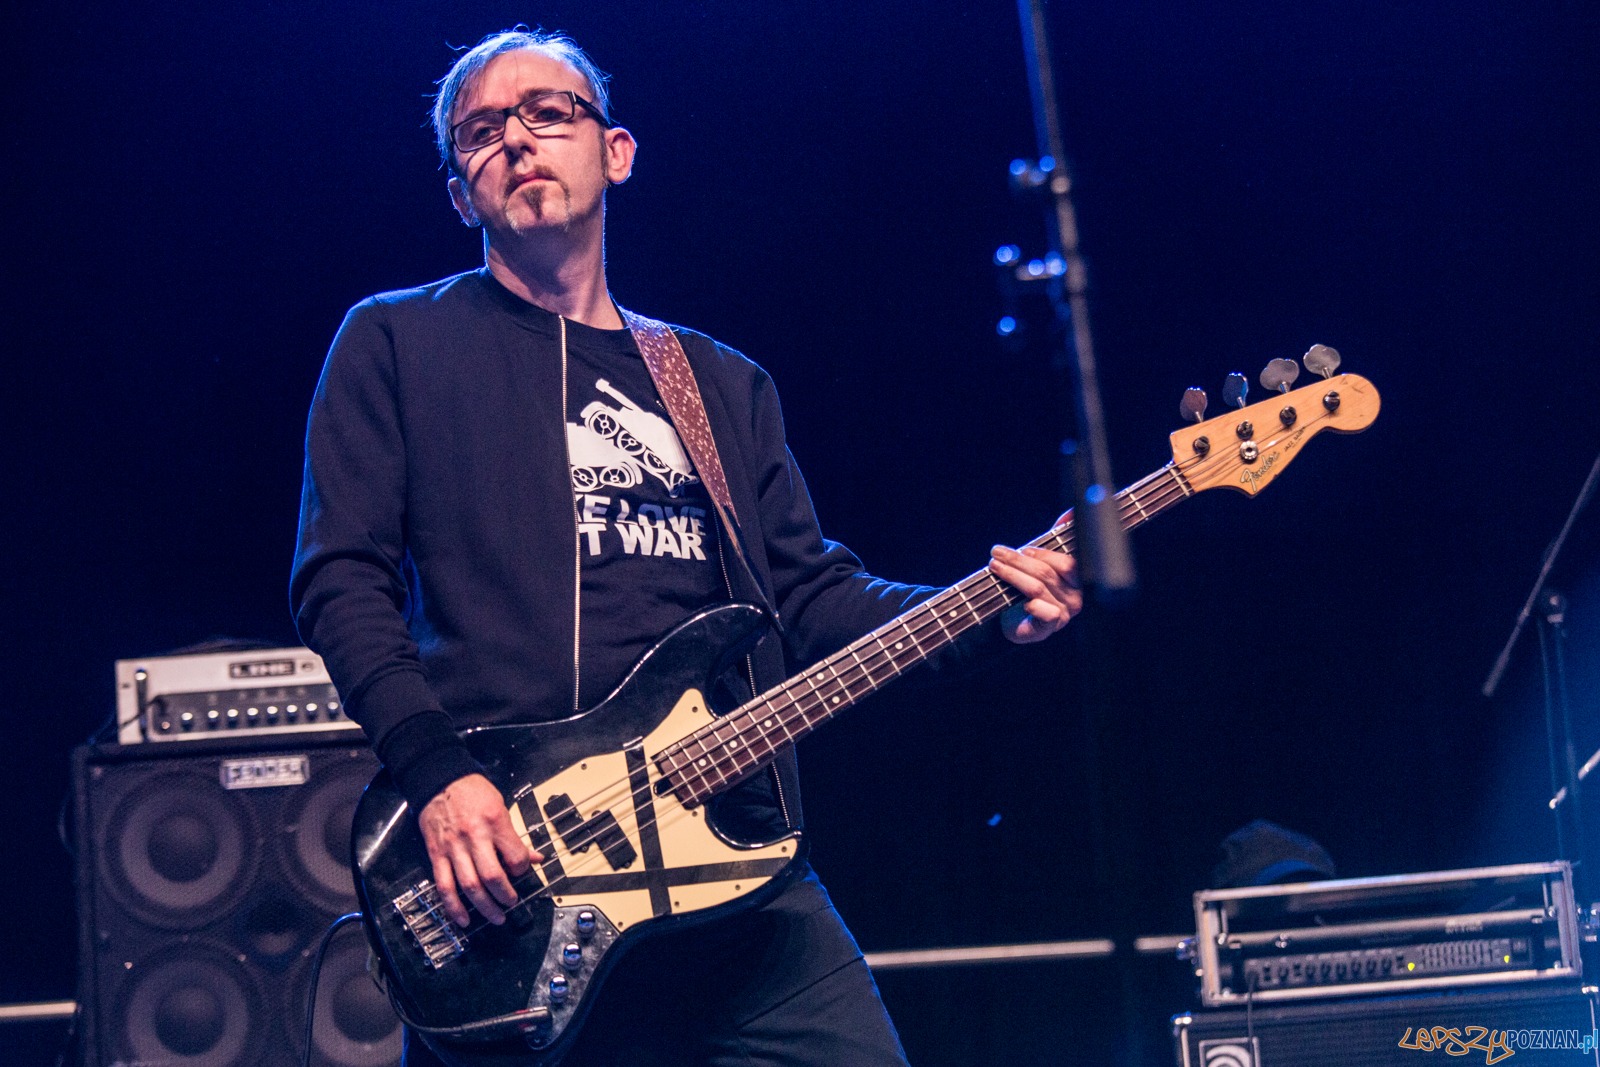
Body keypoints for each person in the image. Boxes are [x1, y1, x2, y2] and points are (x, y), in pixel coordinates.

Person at [291, 29, 1082, 1067]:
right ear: (457, 193)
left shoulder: (718, 382)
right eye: (481, 132)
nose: (518, 141)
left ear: (615, 150)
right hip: (515, 868)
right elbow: (338, 580)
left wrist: (986, 606)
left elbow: (809, 599)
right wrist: (439, 774)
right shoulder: (395, 340)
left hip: (732, 856)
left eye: (548, 113)